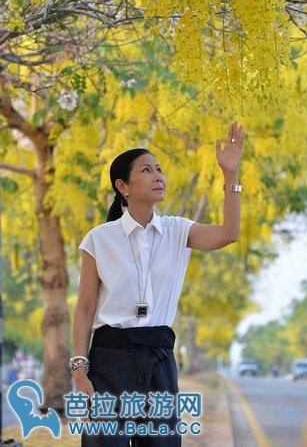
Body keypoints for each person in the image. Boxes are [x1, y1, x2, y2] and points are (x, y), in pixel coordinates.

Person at [71, 121, 245, 446]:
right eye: (147, 170)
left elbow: (228, 234)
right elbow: (84, 308)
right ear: (123, 186)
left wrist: (230, 176)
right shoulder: (99, 239)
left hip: (160, 360)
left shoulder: (179, 232)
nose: (159, 176)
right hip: (111, 360)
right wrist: (80, 370)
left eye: (160, 170)